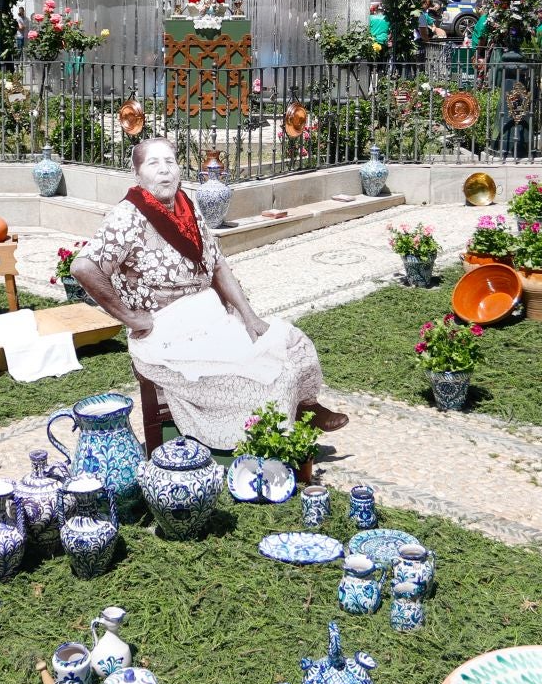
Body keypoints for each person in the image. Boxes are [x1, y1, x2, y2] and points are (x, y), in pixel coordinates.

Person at [69, 137, 349, 450]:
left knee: (290, 341)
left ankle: (304, 407)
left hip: (214, 320)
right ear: (138, 176)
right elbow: (84, 268)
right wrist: (131, 318)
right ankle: (265, 444)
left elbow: (217, 265)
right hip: (168, 336)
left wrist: (248, 315)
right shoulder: (128, 217)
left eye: (170, 162)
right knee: (257, 373)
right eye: (153, 163)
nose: (164, 171)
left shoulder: (186, 207)